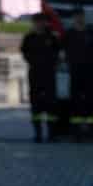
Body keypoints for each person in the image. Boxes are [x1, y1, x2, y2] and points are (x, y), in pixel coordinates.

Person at [20, 13, 61, 143]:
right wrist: (33, 62)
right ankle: (38, 133)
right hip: (35, 74)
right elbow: (24, 52)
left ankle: (51, 133)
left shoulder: (51, 37)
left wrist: (52, 63)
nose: (39, 24)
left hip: (49, 74)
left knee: (51, 105)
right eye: (37, 22)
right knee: (36, 104)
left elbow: (58, 52)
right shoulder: (29, 38)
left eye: (42, 21)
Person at [62, 9, 93, 138]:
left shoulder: (91, 33)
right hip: (75, 72)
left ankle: (92, 129)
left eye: (81, 16)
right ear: (73, 18)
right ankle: (76, 130)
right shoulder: (69, 34)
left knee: (91, 99)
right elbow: (64, 51)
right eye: (76, 16)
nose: (79, 18)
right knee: (75, 100)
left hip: (90, 71)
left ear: (84, 17)